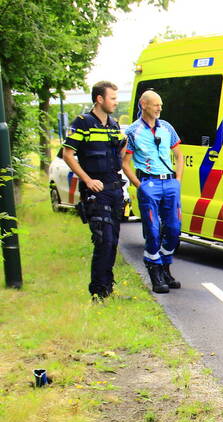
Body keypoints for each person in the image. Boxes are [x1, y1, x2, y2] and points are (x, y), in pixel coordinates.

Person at [62, 81, 126, 300]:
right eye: (113, 98)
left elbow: (122, 151)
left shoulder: (114, 125)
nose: (116, 103)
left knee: (113, 241)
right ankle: (98, 292)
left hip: (115, 190)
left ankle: (108, 288)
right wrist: (88, 180)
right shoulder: (82, 123)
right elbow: (68, 155)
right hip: (96, 192)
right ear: (100, 99)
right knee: (103, 240)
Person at [122, 90, 183, 293]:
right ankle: (155, 272)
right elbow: (125, 163)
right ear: (144, 104)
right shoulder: (132, 132)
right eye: (156, 104)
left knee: (174, 229)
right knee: (153, 231)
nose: (159, 108)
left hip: (170, 183)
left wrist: (178, 181)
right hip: (149, 184)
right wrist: (140, 185)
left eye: (161, 105)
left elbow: (179, 155)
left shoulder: (167, 128)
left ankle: (165, 266)